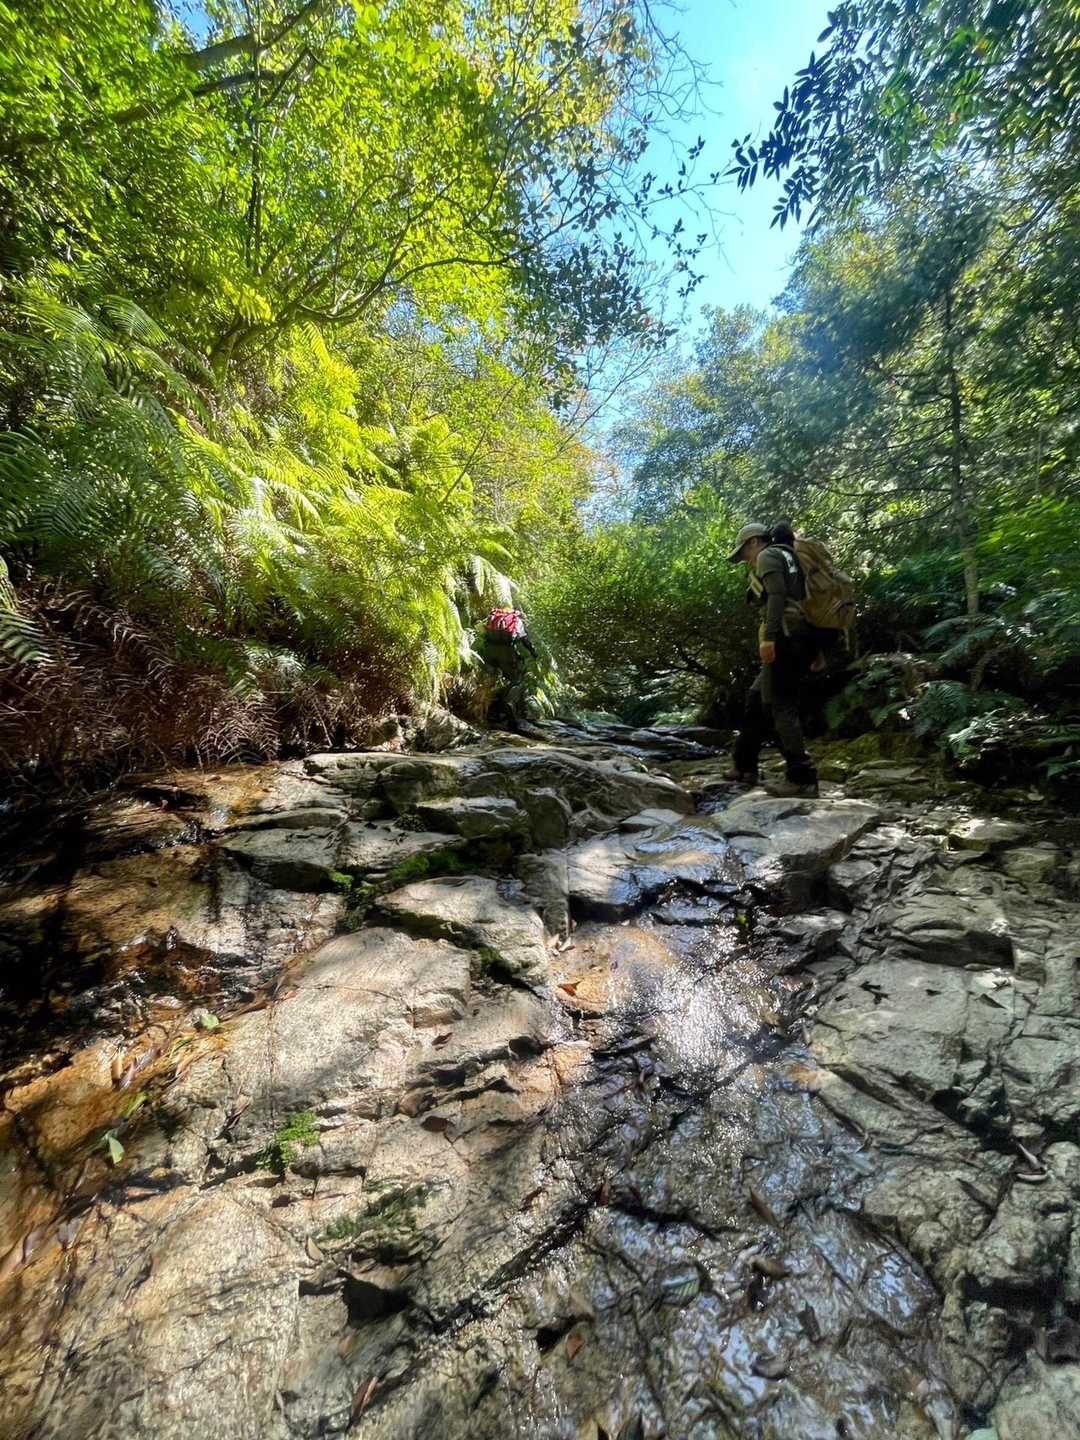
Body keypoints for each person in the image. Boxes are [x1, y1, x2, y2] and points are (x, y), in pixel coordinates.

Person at [724, 520, 820, 798]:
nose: (746, 559)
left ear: (755, 542)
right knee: (756, 698)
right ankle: (745, 766)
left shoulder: (768, 555)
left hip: (784, 639)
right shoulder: (790, 557)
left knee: (780, 705)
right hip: (800, 638)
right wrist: (817, 650)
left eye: (745, 552)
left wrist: (769, 637)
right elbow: (805, 604)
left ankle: (802, 779)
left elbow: (777, 596)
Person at [481, 605, 538, 727]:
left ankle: (484, 709)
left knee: (489, 680)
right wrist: (533, 652)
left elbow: (484, 633)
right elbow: (524, 639)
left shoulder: (493, 618)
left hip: (489, 652)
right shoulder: (515, 621)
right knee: (516, 680)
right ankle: (508, 706)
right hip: (506, 653)